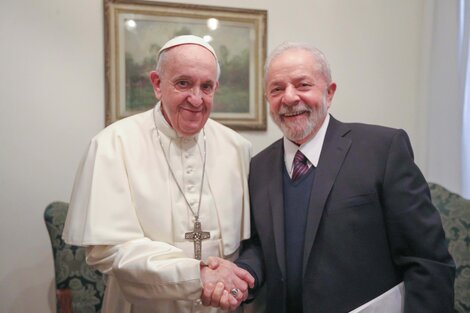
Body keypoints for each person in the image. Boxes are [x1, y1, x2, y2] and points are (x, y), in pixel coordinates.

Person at [204, 41, 456, 313]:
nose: (289, 98)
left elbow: (428, 261)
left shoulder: (382, 150)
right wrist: (240, 274)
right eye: (277, 89)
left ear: (330, 92)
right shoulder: (259, 166)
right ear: (268, 100)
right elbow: (260, 247)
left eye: (303, 85)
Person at [62, 35, 255, 313]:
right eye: (183, 83)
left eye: (207, 86)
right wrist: (195, 274)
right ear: (157, 84)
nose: (196, 98)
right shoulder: (112, 145)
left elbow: (251, 243)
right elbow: (109, 250)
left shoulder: (238, 148)